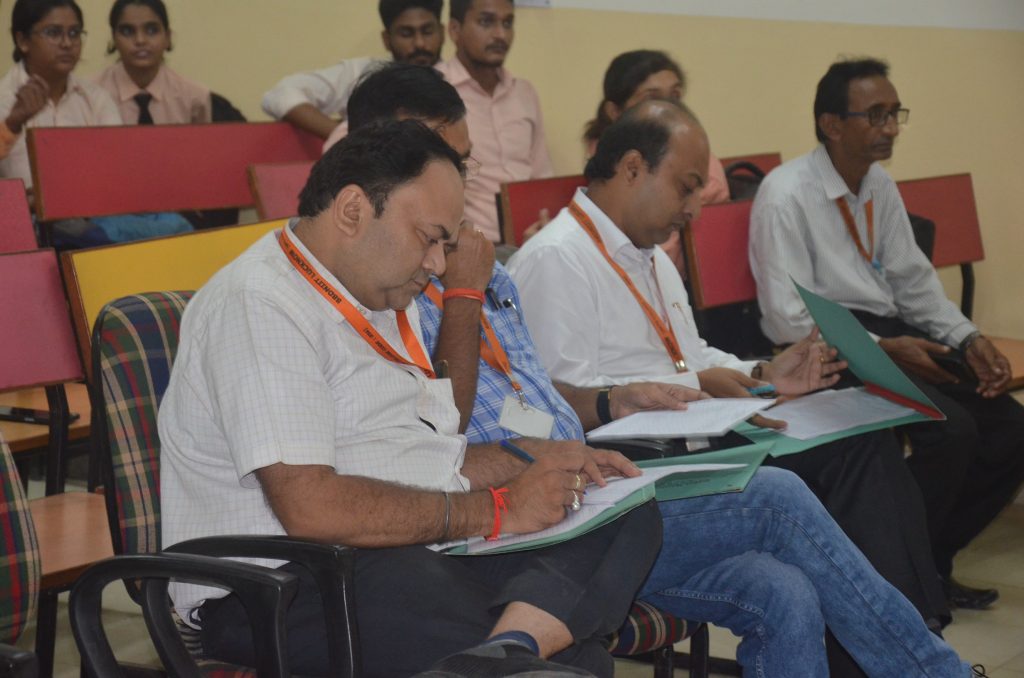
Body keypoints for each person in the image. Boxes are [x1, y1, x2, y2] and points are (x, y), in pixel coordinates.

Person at [347, 63, 977, 678]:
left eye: (463, 162)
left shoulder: (504, 266)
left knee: (784, 587)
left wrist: (620, 399)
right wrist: (464, 296)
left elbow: (552, 391)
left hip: (589, 489)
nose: (459, 182)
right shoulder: (401, 281)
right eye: (443, 160)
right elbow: (441, 438)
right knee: (783, 497)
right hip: (524, 515)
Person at [158, 118, 667, 678]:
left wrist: (527, 458)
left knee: (622, 510)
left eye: (446, 245)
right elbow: (311, 508)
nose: (438, 265)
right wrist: (498, 509)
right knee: (578, 658)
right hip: (284, 582)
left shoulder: (377, 297)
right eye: (429, 238)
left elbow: (414, 457)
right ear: (353, 210)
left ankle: (508, 649)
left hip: (399, 549)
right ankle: (515, 653)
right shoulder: (260, 303)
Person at [507, 98, 967, 675]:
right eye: (686, 187)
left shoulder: (648, 256)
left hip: (682, 456)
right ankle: (928, 664)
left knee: (809, 546)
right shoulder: (557, 260)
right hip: (623, 487)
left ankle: (910, 645)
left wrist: (763, 373)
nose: (695, 208)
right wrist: (695, 383)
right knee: (799, 490)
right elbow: (561, 410)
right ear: (632, 168)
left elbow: (692, 353)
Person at [748, 57, 1024, 611]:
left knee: (1011, 429)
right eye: (875, 115)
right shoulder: (786, 194)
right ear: (831, 124)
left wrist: (968, 338)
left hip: (890, 333)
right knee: (952, 433)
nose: (891, 127)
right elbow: (786, 318)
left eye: (895, 113)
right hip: (826, 348)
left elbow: (914, 284)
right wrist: (880, 350)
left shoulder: (878, 185)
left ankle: (928, 562)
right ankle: (890, 575)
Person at [435, 0, 552, 242]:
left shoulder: (524, 93)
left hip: (530, 240)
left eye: (507, 23)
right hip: (464, 244)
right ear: (455, 30)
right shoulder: (436, 89)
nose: (501, 34)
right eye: (486, 22)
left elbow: (541, 176)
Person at [261, 0, 445, 140]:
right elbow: (281, 94)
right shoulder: (364, 75)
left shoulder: (458, 79)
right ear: (386, 39)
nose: (420, 43)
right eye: (406, 34)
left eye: (427, 31)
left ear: (443, 32)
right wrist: (346, 138)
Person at [0, 0, 120, 192]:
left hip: (90, 206)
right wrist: (12, 125)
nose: (67, 43)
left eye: (74, 33)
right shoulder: (4, 98)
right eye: (53, 33)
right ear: (23, 41)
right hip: (19, 210)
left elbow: (118, 168)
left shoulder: (96, 99)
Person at [95, 0, 211, 125]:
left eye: (152, 30)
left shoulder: (194, 98)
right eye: (128, 31)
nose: (140, 40)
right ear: (114, 38)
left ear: (168, 37)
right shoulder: (90, 96)